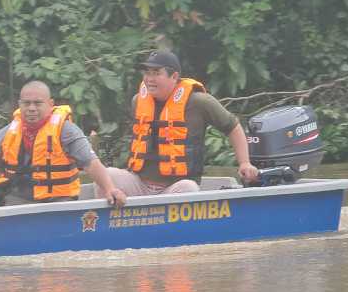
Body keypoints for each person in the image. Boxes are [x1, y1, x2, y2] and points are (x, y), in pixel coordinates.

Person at [96, 50, 258, 197]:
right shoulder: (138, 101)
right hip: (139, 185)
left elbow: (233, 127)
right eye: (147, 73)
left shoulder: (200, 102)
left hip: (175, 187)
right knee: (106, 175)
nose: (149, 79)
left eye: (156, 73)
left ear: (174, 76)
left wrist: (244, 163)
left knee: (189, 188)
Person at [0, 80, 126, 210]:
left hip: (58, 202)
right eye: (26, 103)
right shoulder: (7, 132)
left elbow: (91, 164)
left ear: (50, 105)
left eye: (37, 103)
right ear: (19, 105)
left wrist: (110, 189)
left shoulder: (67, 131)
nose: (31, 108)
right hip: (18, 200)